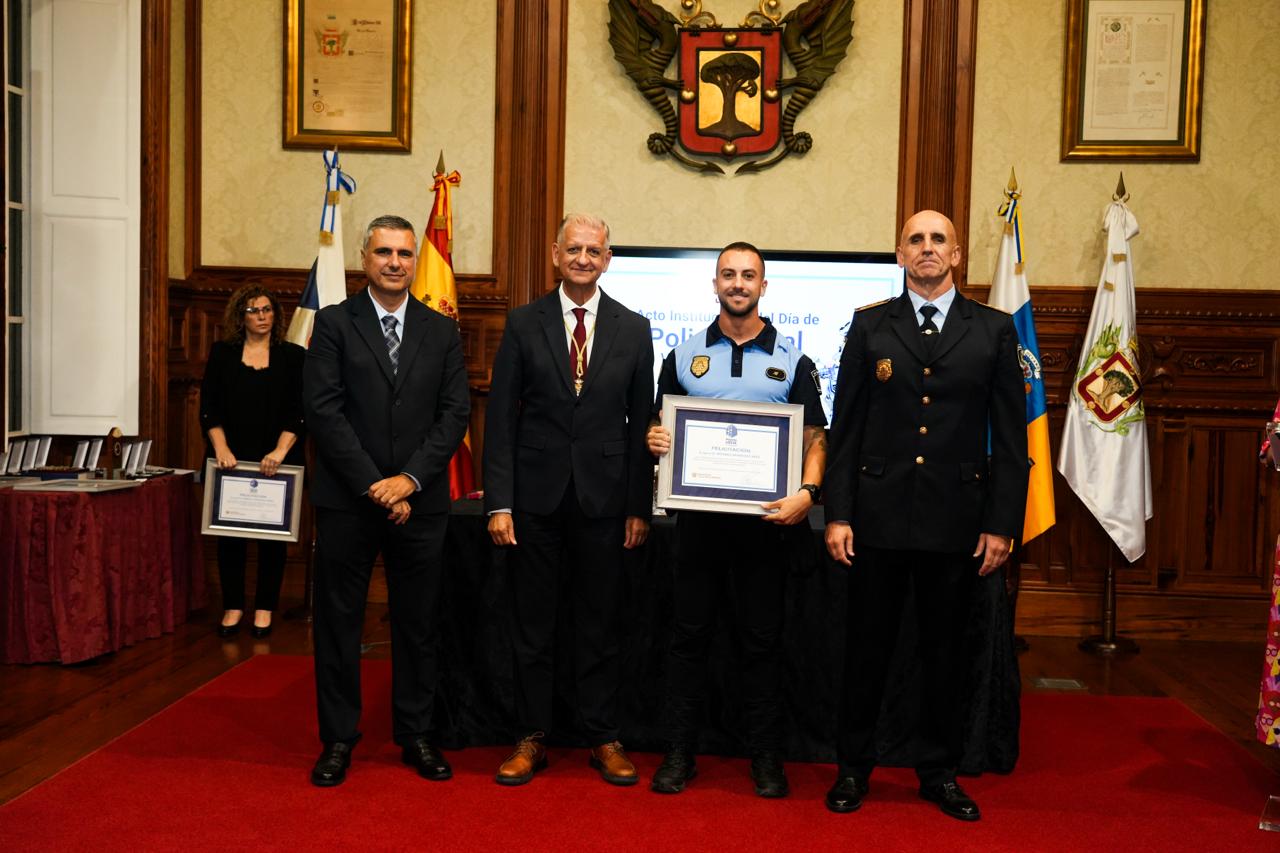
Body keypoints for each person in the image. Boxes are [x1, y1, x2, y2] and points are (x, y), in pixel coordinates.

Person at [822, 209, 1028, 821]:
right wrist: (839, 514)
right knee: (866, 653)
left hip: (956, 521)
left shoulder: (992, 330)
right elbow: (846, 429)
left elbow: (1010, 438)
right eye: (916, 239)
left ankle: (939, 773)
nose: (927, 248)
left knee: (945, 655)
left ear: (957, 255)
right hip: (877, 519)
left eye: (939, 239)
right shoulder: (870, 326)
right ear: (900, 254)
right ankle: (853, 768)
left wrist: (1002, 524)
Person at [645, 241, 827, 798]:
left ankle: (766, 758)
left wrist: (808, 492)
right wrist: (655, 439)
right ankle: (680, 753)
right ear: (715, 284)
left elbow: (816, 438)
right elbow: (658, 424)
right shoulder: (683, 356)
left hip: (767, 527)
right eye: (729, 274)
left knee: (762, 642)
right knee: (688, 639)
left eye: (749, 275)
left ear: (763, 286)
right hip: (699, 526)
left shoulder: (793, 359)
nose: (738, 283)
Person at [482, 213, 654, 787]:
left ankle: (603, 737)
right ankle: (530, 737)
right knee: (533, 625)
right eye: (573, 249)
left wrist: (638, 506)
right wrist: (499, 503)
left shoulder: (635, 329)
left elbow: (640, 427)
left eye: (593, 250)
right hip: (535, 501)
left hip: (605, 503)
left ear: (608, 259)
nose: (583, 259)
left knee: (600, 624)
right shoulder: (522, 323)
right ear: (556, 254)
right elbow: (500, 420)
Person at [303, 214, 470, 787]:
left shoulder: (441, 329)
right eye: (384, 252)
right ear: (364, 258)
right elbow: (323, 411)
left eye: (404, 253)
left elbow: (455, 413)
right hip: (349, 502)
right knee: (339, 624)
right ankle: (338, 739)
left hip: (419, 503)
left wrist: (410, 481)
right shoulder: (333, 323)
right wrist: (377, 484)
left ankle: (416, 735)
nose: (395, 262)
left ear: (415, 260)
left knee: (418, 625)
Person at [199, 284, 305, 639]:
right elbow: (209, 408)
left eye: (267, 309)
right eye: (253, 310)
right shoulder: (223, 353)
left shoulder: (293, 356)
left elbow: (300, 412)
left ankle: (264, 608)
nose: (262, 316)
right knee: (230, 538)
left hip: (277, 461)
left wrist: (279, 453)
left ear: (276, 314)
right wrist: (221, 449)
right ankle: (232, 606)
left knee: (272, 540)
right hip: (229, 460)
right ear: (240, 316)